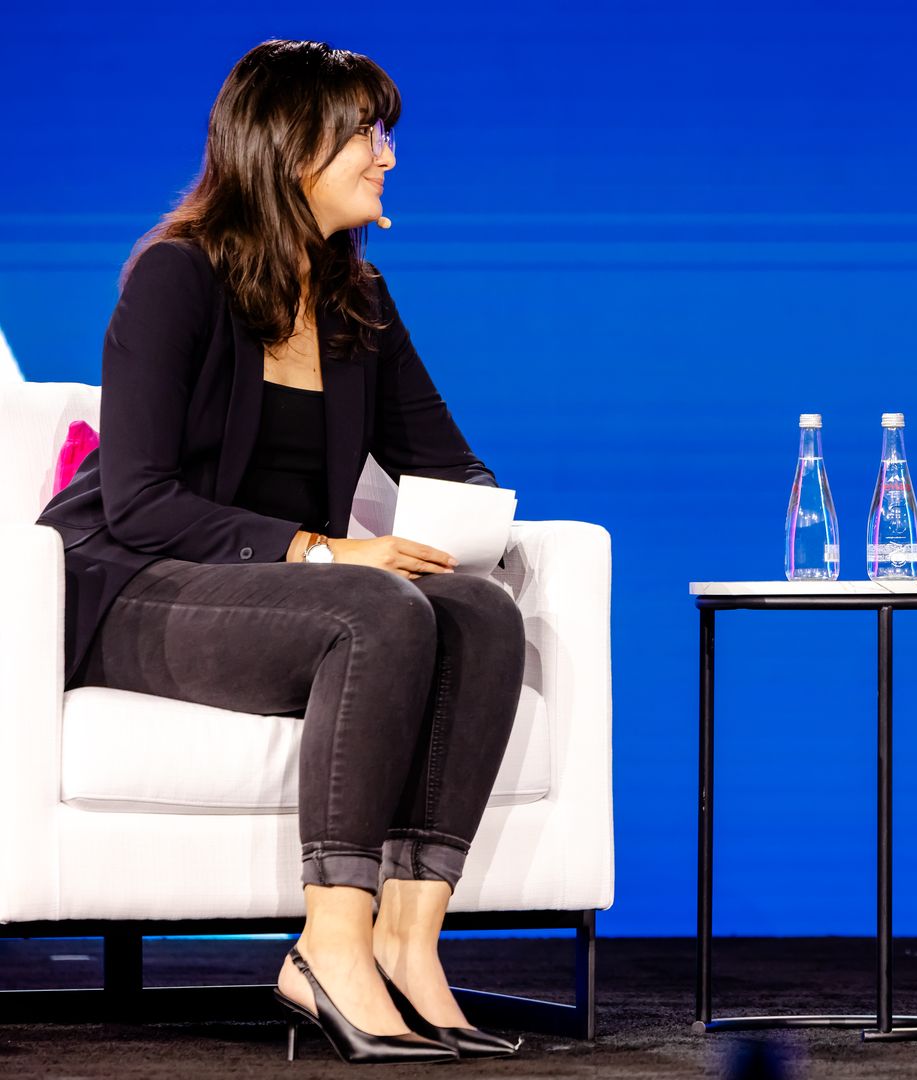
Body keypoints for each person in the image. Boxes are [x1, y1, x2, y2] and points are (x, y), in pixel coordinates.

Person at [36, 40, 526, 1064]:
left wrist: (479, 535)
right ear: (289, 146)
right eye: (364, 134)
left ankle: (408, 937)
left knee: (480, 613)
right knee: (374, 603)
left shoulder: (359, 298)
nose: (387, 156)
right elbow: (139, 500)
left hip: (274, 596)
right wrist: (321, 549)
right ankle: (328, 945)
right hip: (133, 586)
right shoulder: (174, 275)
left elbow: (449, 463)